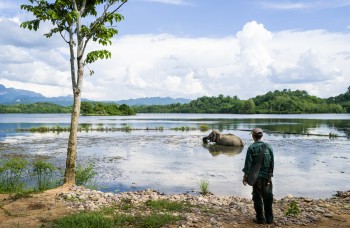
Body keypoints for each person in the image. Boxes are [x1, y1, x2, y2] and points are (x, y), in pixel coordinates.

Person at [242, 128, 274, 224]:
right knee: (268, 197)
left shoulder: (251, 148)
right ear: (261, 136)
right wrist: (270, 175)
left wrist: (245, 176)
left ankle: (260, 219)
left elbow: (248, 165)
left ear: (253, 136)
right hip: (267, 177)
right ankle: (269, 219)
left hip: (256, 178)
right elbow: (272, 163)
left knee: (257, 198)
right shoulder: (269, 147)